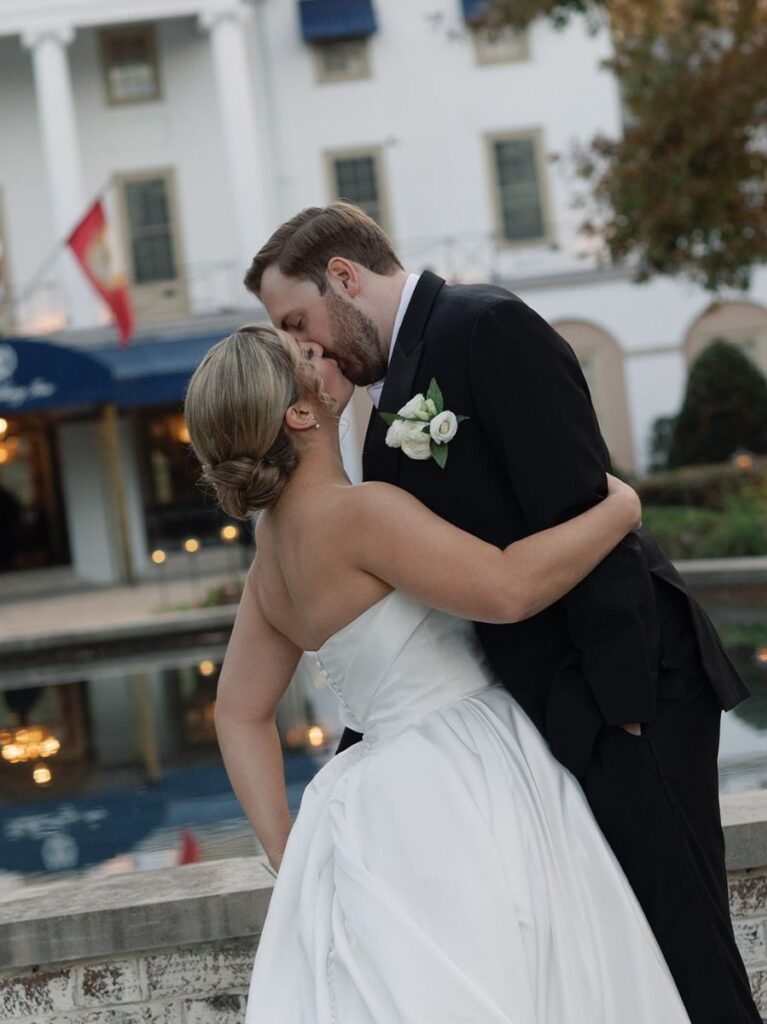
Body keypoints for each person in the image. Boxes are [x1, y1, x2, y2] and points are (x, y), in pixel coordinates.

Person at [242, 203, 760, 1024]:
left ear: (343, 276)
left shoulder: (484, 329)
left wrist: (622, 716)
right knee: (625, 963)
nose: (307, 351)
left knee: (687, 948)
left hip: (630, 698)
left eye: (300, 323)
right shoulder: (380, 415)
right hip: (541, 722)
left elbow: (581, 508)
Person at [185, 325, 691, 1022]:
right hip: (459, 771)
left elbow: (237, 712)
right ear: (299, 413)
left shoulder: (269, 560)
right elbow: (509, 590)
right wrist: (620, 512)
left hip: (371, 798)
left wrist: (288, 851)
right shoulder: (360, 515)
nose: (322, 351)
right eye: (305, 357)